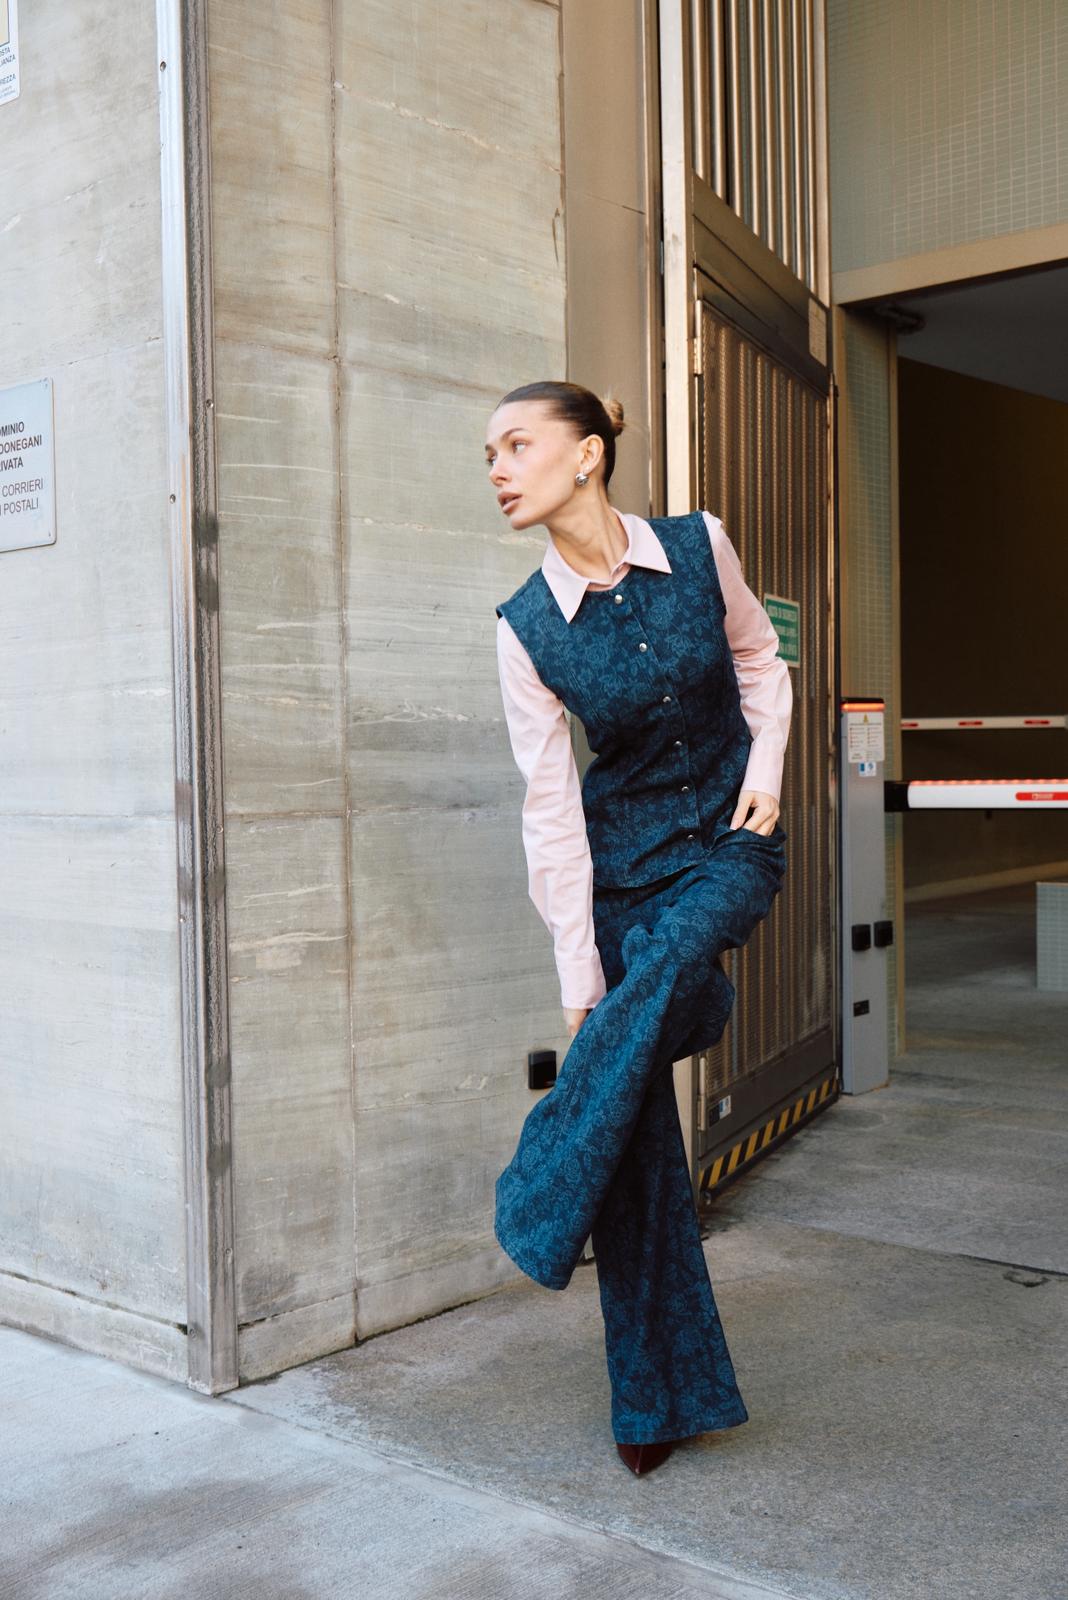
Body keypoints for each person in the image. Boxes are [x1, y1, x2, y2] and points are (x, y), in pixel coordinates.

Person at [485, 379, 792, 1477]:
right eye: (490, 454)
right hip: (620, 878)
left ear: (589, 453)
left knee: (677, 964)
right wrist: (577, 971)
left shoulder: (698, 544)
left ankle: (538, 1179)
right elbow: (551, 811)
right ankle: (658, 1403)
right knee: (637, 1152)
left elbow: (761, 659)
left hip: (727, 844)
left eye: (519, 443)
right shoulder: (526, 629)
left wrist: (765, 770)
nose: (500, 468)